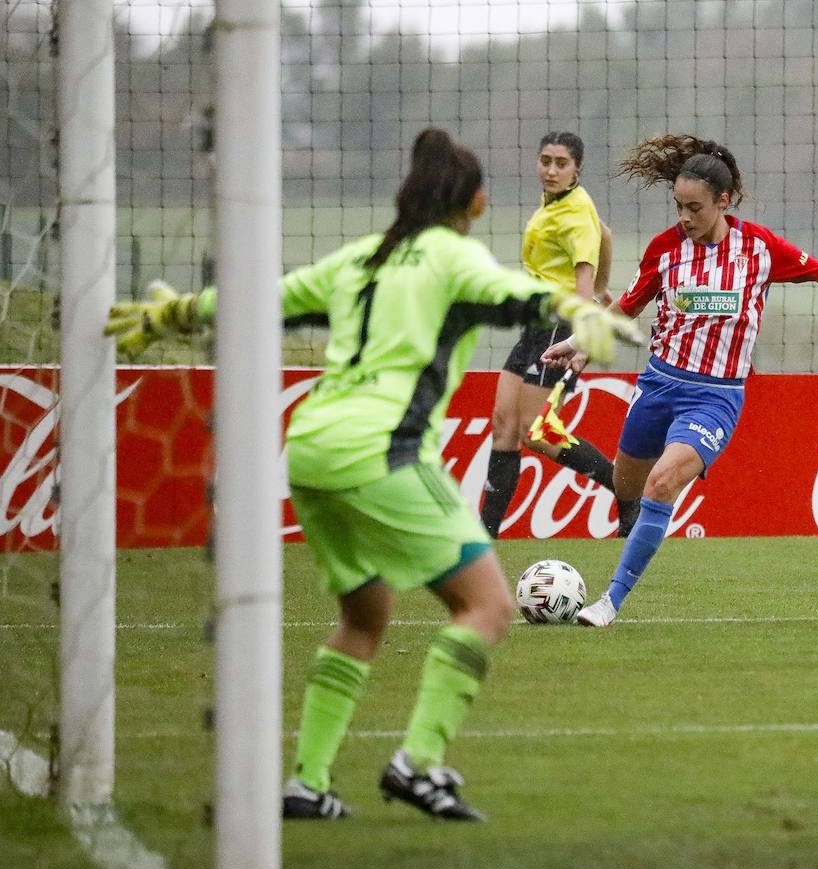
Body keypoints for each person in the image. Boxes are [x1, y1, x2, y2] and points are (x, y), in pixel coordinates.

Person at [104, 127, 640, 818]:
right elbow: (539, 301)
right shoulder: (454, 259)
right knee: (487, 607)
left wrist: (168, 314)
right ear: (474, 205)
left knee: (365, 615)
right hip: (381, 452)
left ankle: (307, 782)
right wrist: (595, 325)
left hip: (308, 450)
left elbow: (258, 300)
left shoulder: (361, 256)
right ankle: (417, 765)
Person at [543, 134, 818, 628]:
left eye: (694, 208)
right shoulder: (664, 250)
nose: (685, 218)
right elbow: (626, 307)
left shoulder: (760, 248)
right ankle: (637, 532)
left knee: (661, 482)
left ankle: (610, 601)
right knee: (625, 482)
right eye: (678, 206)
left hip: (714, 398)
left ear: (724, 201)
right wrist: (581, 344)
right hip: (657, 386)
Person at [480, 130, 640, 539]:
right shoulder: (560, 202)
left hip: (560, 327)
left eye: (560, 163)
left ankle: (627, 494)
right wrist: (608, 292)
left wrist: (585, 336)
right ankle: (486, 534)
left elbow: (582, 280)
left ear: (577, 169)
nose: (550, 170)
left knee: (536, 431)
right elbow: (605, 233)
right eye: (545, 160)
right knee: (503, 424)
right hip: (536, 324)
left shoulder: (572, 215)